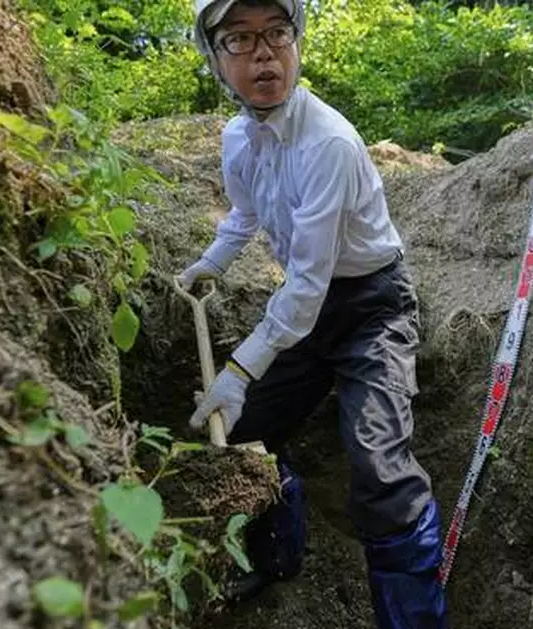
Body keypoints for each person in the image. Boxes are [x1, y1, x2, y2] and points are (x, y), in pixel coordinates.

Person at [177, 0, 448, 627]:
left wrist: (238, 371)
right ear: (215, 60)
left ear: (297, 43)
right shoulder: (237, 137)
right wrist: (210, 263)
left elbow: (303, 285)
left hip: (371, 308)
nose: (264, 53)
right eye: (239, 40)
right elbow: (244, 216)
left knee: (379, 467)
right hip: (306, 312)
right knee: (244, 435)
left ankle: (413, 618)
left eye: (276, 33)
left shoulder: (327, 142)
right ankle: (276, 557)